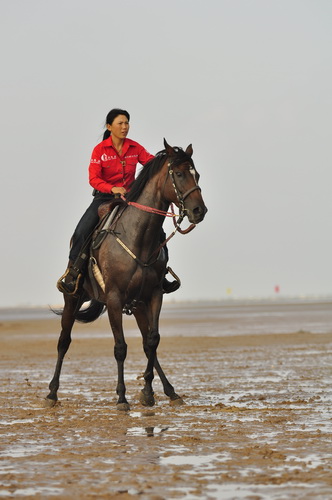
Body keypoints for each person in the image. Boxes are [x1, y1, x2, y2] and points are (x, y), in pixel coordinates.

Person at [57, 108, 180, 296]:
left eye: (127, 123)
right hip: (103, 198)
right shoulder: (99, 150)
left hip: (130, 199)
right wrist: (112, 188)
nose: (124, 127)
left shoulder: (135, 147)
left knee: (157, 231)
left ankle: (161, 275)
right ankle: (73, 274)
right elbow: (93, 178)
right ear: (109, 126)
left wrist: (169, 162)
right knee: (82, 230)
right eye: (120, 123)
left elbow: (151, 164)